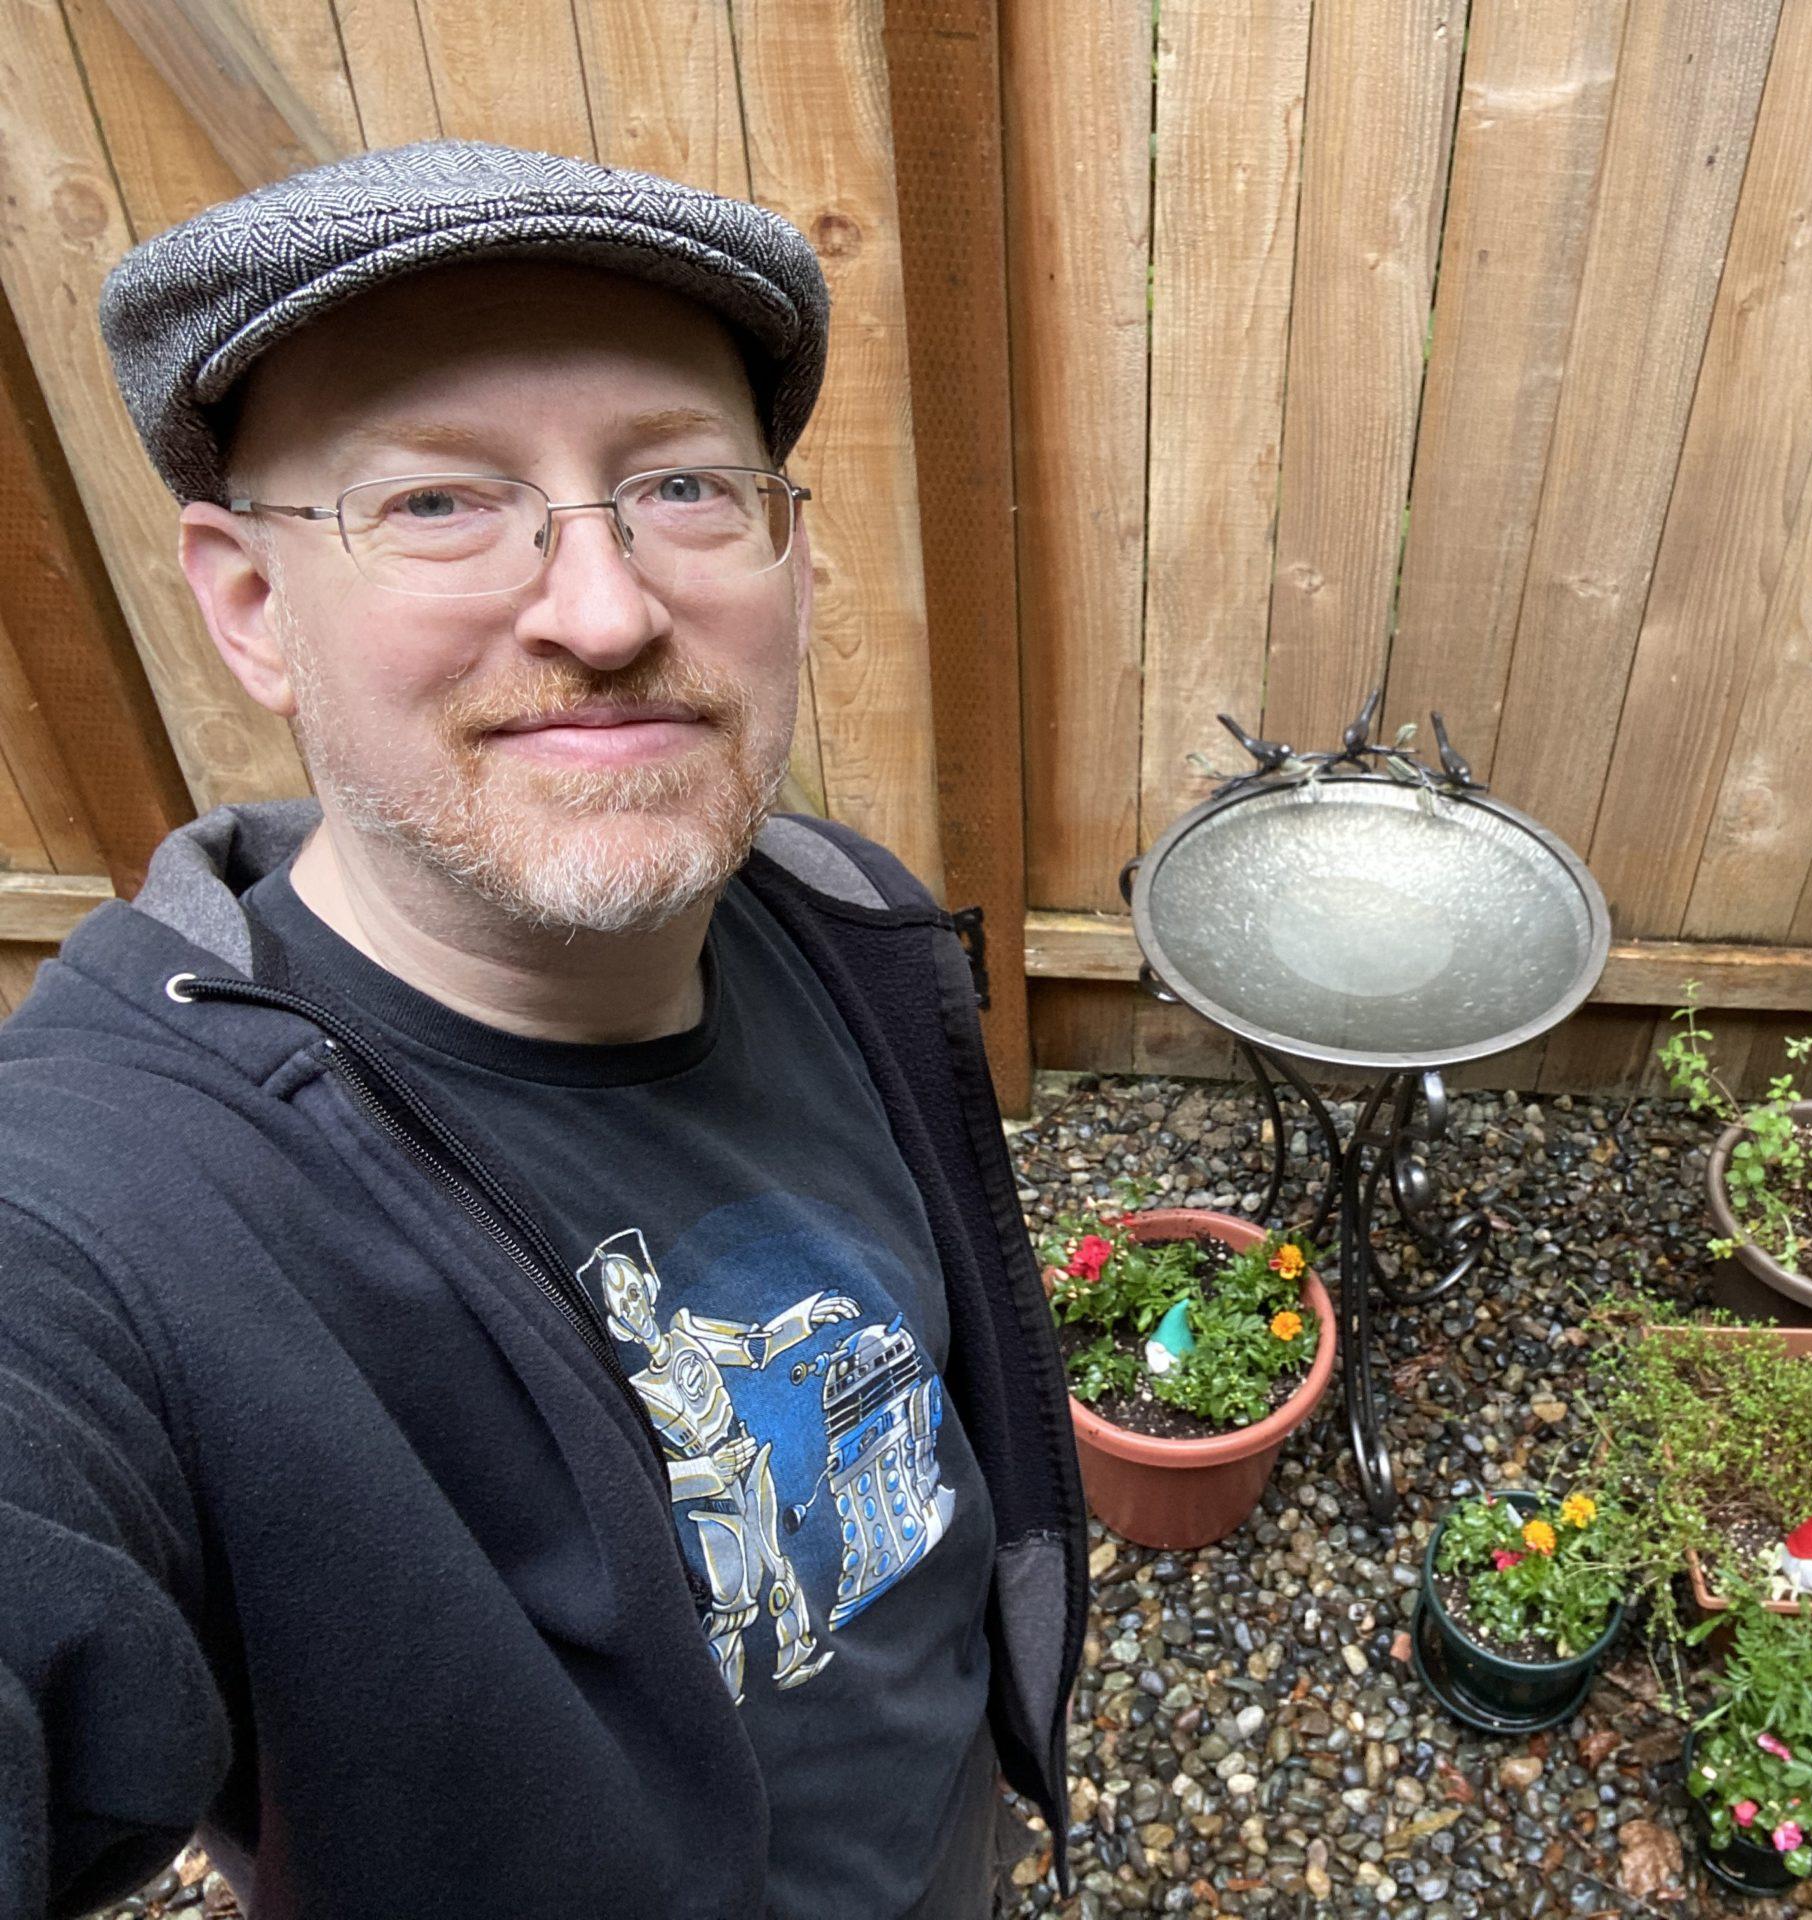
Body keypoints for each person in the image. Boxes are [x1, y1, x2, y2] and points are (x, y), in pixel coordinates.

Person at [0, 140, 1084, 1919]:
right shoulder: (119, 1219)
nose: (603, 609)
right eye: (437, 500)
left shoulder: (846, 919)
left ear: (793, 555)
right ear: (252, 605)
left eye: (679, 486)